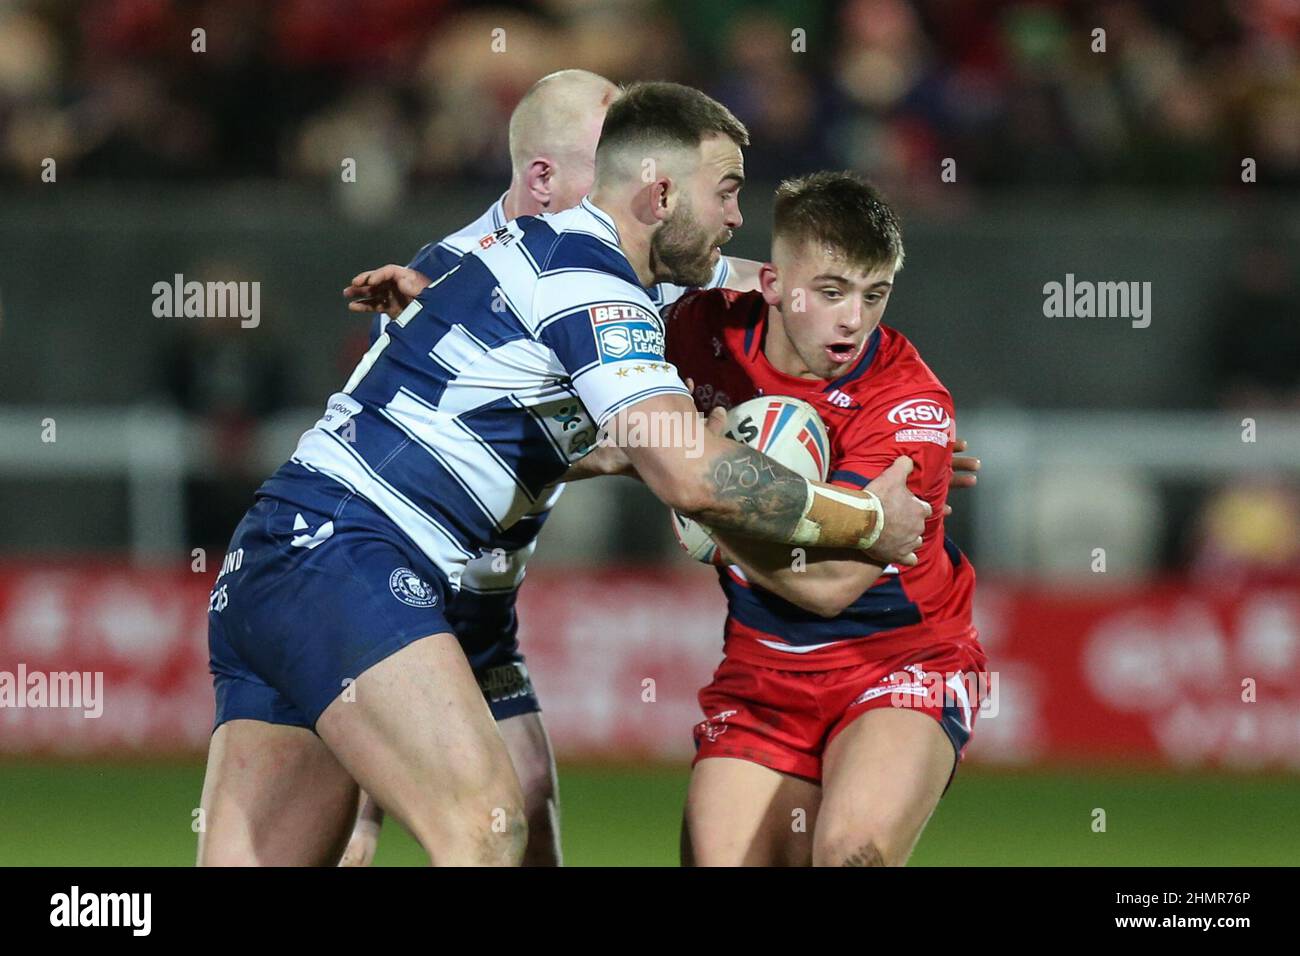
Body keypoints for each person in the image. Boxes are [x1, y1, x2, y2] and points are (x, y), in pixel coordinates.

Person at [197, 83, 930, 866]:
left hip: (279, 557)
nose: (735, 216)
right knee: (487, 829)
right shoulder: (594, 284)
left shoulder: (538, 254)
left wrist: (879, 412)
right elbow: (690, 476)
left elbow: (772, 287)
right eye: (726, 192)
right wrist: (864, 520)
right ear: (660, 194)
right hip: (347, 557)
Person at [336, 69, 762, 867]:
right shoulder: (457, 272)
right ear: (543, 175)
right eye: (616, 159)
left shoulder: (627, 253)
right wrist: (663, 457)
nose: (642, 183)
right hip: (395, 573)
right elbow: (442, 445)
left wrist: (876, 400)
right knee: (356, 818)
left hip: (486, 604)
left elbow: (759, 286)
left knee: (525, 805)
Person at [663, 171, 987, 866]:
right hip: (762, 668)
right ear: (774, 285)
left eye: (876, 295)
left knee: (851, 854)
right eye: (832, 292)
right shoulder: (698, 331)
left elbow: (830, 585)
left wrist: (711, 511)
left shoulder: (909, 403)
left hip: (898, 660)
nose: (853, 320)